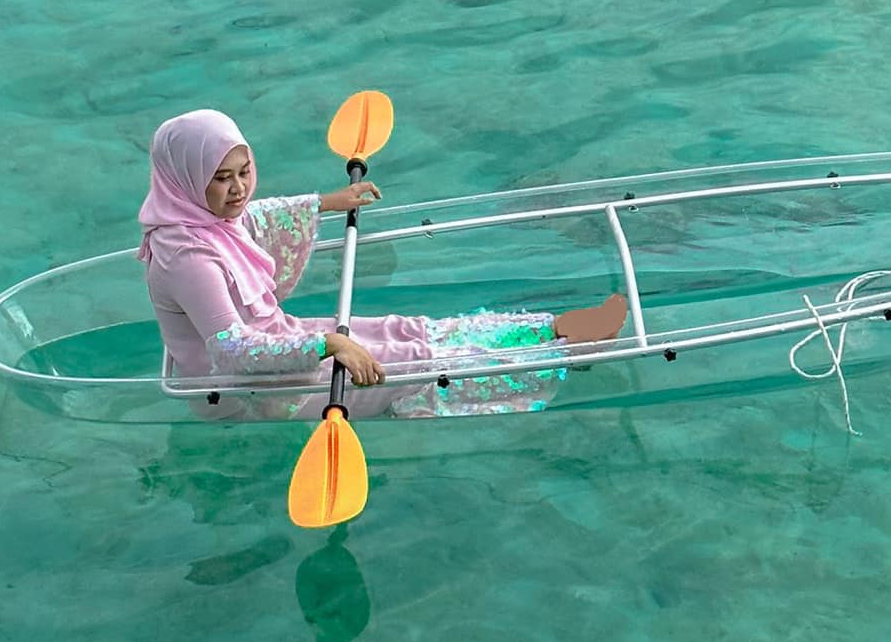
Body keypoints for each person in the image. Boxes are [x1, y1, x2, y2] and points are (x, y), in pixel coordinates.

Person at [137, 109, 627, 420]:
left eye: (245, 172)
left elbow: (251, 220)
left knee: (407, 331)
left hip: (281, 341)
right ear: (185, 180)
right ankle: (558, 357)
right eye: (221, 179)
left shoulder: (204, 218)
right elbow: (232, 350)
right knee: (417, 365)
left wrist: (324, 202)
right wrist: (327, 344)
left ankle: (552, 328)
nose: (240, 189)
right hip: (255, 393)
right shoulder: (187, 257)